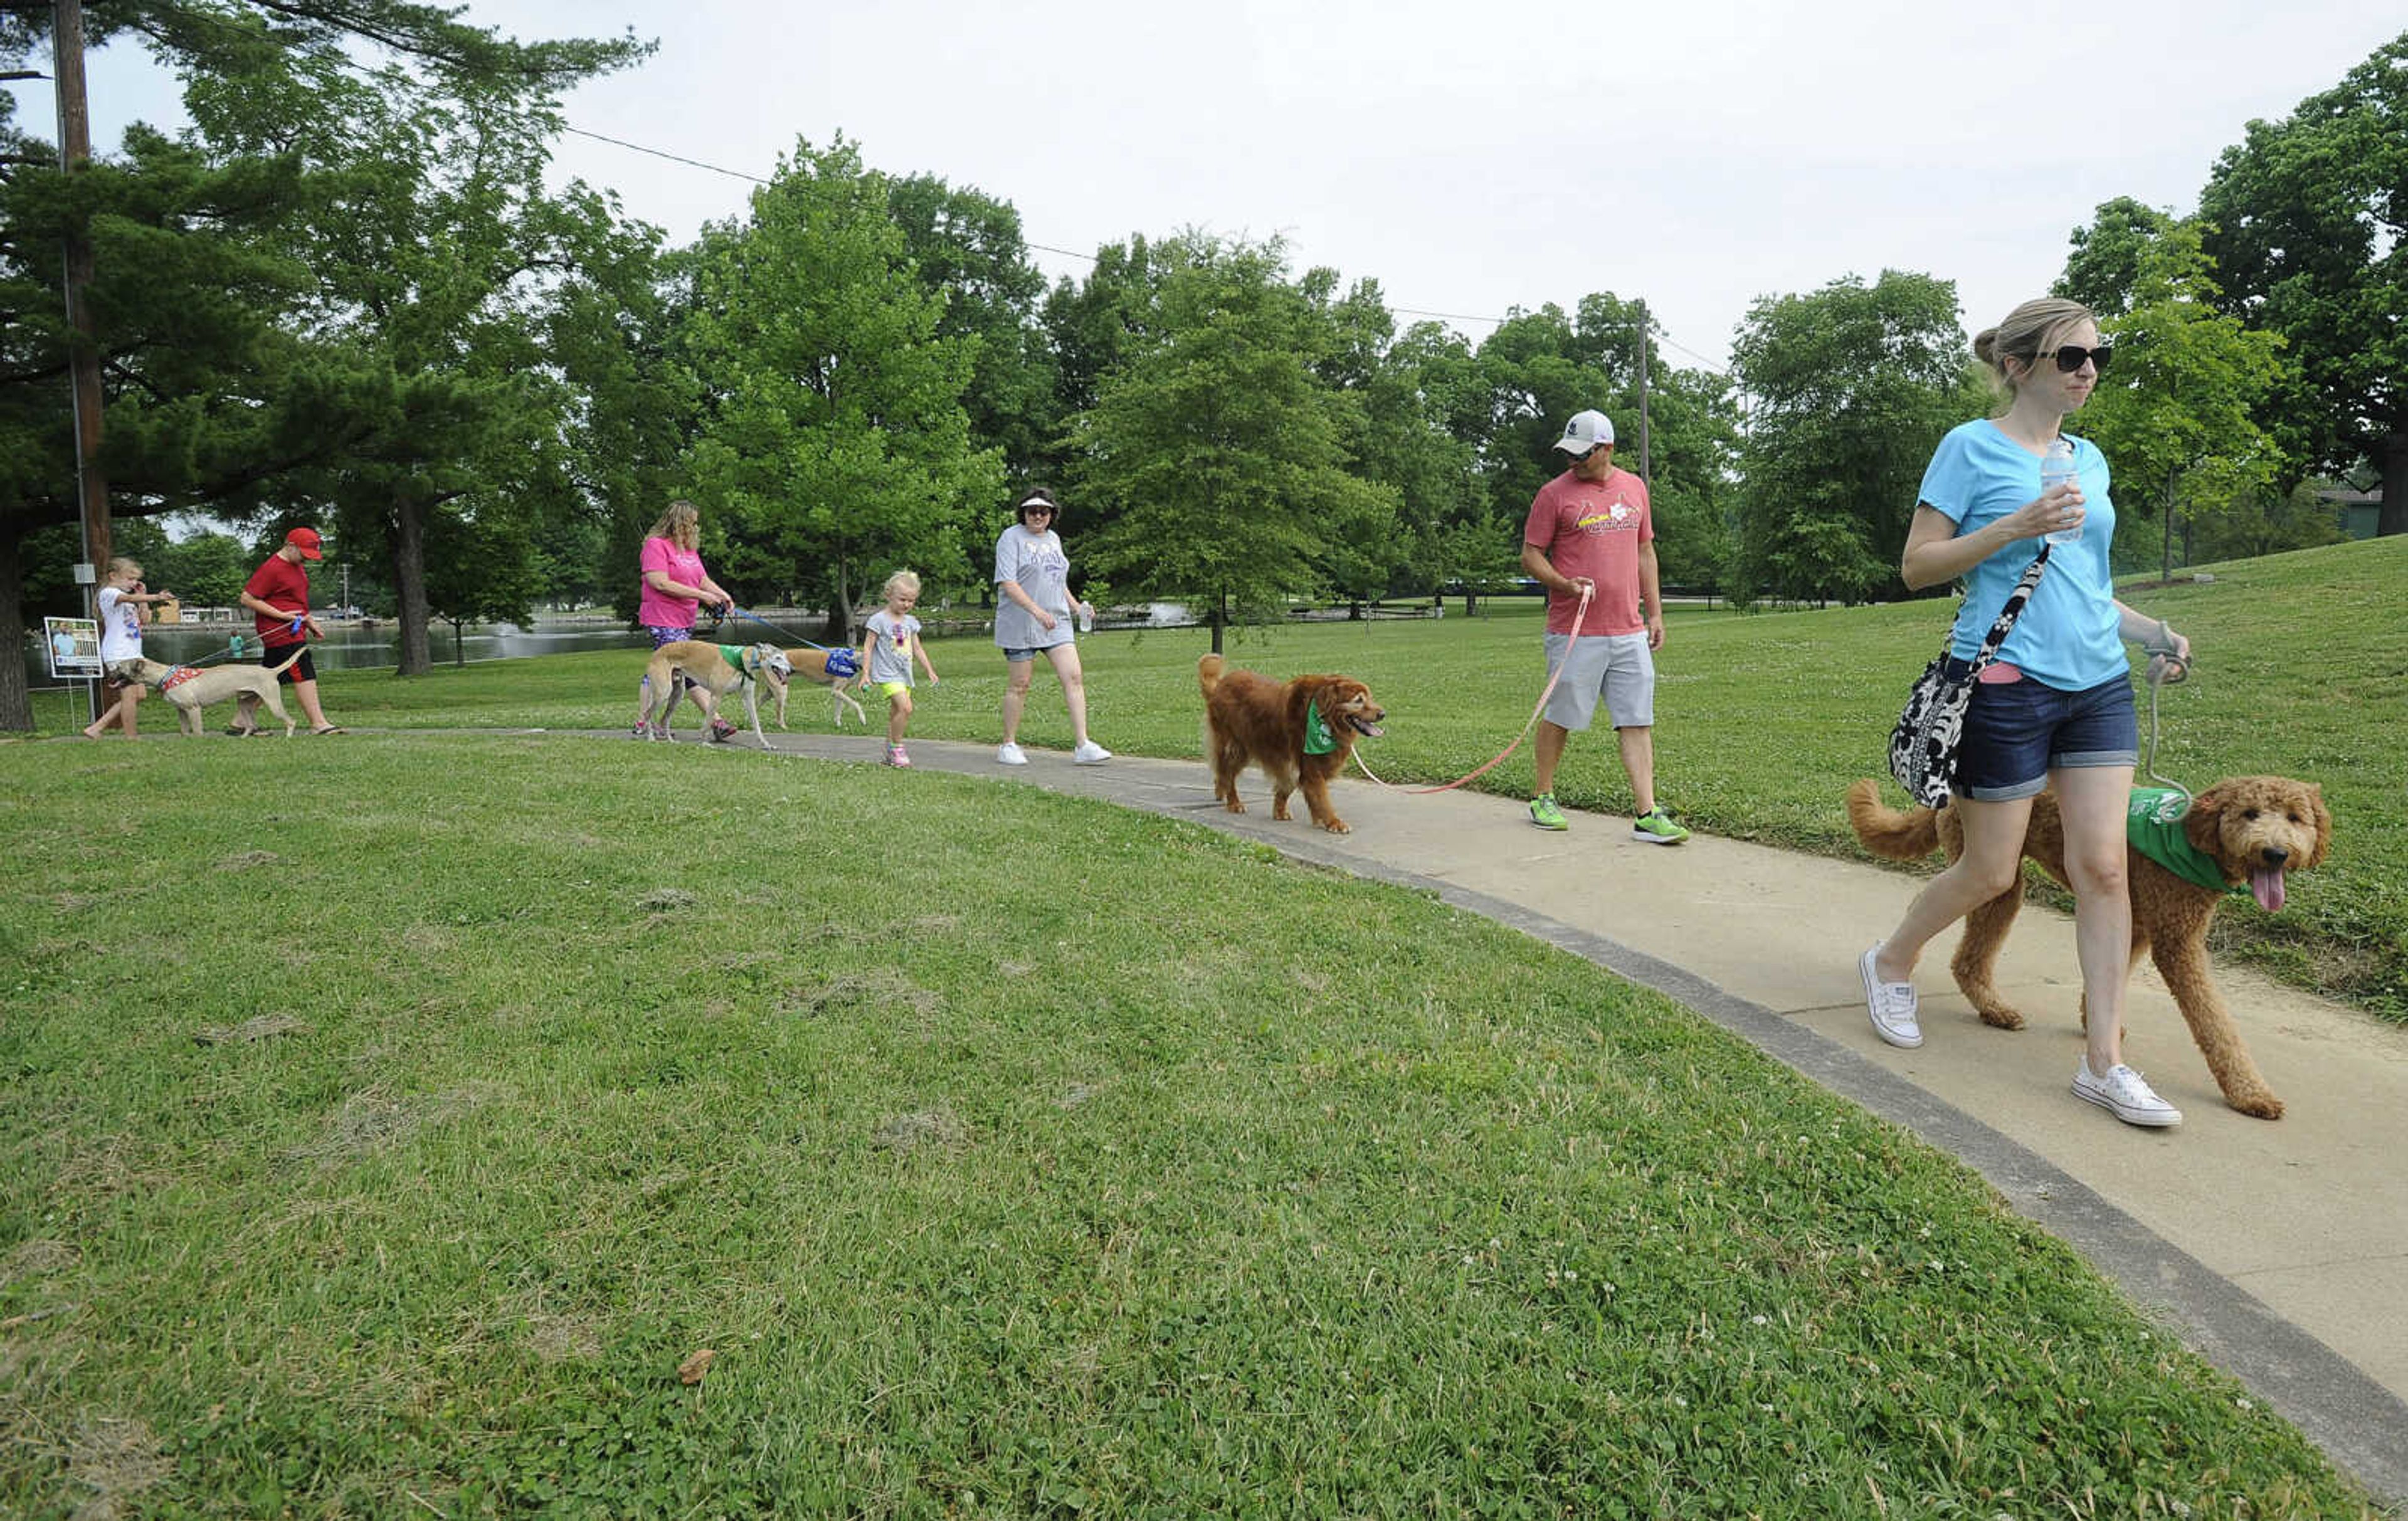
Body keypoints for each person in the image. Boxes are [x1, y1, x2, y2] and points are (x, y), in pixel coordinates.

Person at [1859, 296, 2194, 1129]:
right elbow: (1916, 566)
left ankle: (2104, 1062)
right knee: (1991, 870)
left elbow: (2089, 586)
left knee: (2105, 870)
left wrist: (2154, 634)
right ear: (2018, 366)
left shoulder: (2091, 459)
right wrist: (2018, 523)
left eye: (2097, 357)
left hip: (2098, 686)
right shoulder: (1968, 448)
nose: (2088, 371)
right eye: (2071, 357)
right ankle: (1892, 960)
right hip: (2005, 681)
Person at [1520, 409, 1689, 843]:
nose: (1573, 461)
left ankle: (1647, 814)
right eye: (1569, 453)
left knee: (1637, 720)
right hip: (1574, 631)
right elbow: (1531, 555)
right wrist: (1563, 584)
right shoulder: (1553, 495)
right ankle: (1543, 796)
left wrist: (1655, 613)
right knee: (1562, 715)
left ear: (1607, 448)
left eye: (1583, 453)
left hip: (1628, 630)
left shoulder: (1634, 489)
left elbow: (1645, 552)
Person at [992, 489, 1109, 766]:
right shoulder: (1011, 538)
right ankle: (1008, 744)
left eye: (1044, 511)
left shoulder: (1054, 540)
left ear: (1052, 515)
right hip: (1020, 623)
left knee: (1074, 678)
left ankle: (1083, 744)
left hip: (1056, 623)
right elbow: (1008, 584)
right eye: (1032, 511)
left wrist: (1077, 607)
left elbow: (1058, 583)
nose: (1038, 516)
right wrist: (1036, 611)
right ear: (1023, 513)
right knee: (1020, 684)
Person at [635, 498, 738, 741]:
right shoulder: (656, 545)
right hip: (662, 617)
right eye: (690, 523)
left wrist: (722, 594)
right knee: (684, 666)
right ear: (677, 522)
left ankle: (645, 721)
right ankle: (717, 722)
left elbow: (701, 579)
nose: (694, 528)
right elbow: (659, 582)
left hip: (683, 618)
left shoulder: (689, 551)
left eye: (695, 524)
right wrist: (703, 596)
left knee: (664, 668)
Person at [235, 527, 340, 735]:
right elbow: (247, 598)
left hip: (295, 629)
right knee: (304, 671)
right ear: (290, 546)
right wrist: (282, 616)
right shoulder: (272, 568)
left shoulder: (297, 565)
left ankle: (241, 721)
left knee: (271, 678)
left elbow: (295, 600)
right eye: (304, 554)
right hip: (280, 632)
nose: (306, 559)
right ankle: (319, 723)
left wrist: (309, 621)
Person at [855, 569, 941, 767]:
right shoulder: (878, 620)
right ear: (888, 595)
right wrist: (865, 674)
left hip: (904, 674)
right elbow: (868, 647)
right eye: (902, 599)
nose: (907, 605)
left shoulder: (910, 622)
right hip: (887, 673)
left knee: (896, 713)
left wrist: (929, 670)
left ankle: (888, 753)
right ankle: (897, 747)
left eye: (911, 601)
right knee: (906, 708)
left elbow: (917, 648)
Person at [82, 557, 174, 740]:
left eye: (135, 580)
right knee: (130, 696)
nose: (133, 583)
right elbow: (128, 597)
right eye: (129, 579)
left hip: (132, 653)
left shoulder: (130, 601)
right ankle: (132, 738)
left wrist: (144, 598)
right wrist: (157, 597)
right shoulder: (109, 593)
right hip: (119, 653)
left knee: (139, 695)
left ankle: (96, 727)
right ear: (113, 576)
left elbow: (146, 619)